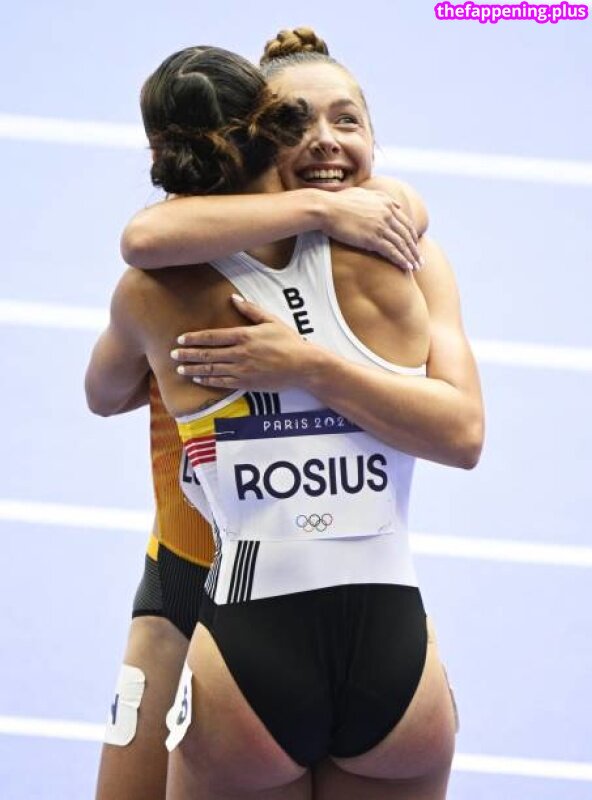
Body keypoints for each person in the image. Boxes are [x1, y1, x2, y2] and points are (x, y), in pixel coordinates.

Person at [87, 31, 482, 800]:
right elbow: (144, 238)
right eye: (297, 124)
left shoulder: (392, 244)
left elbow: (463, 429)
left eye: (347, 121)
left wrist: (298, 362)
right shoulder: (176, 255)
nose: (326, 142)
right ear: (253, 141)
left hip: (250, 614)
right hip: (195, 583)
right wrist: (320, 208)